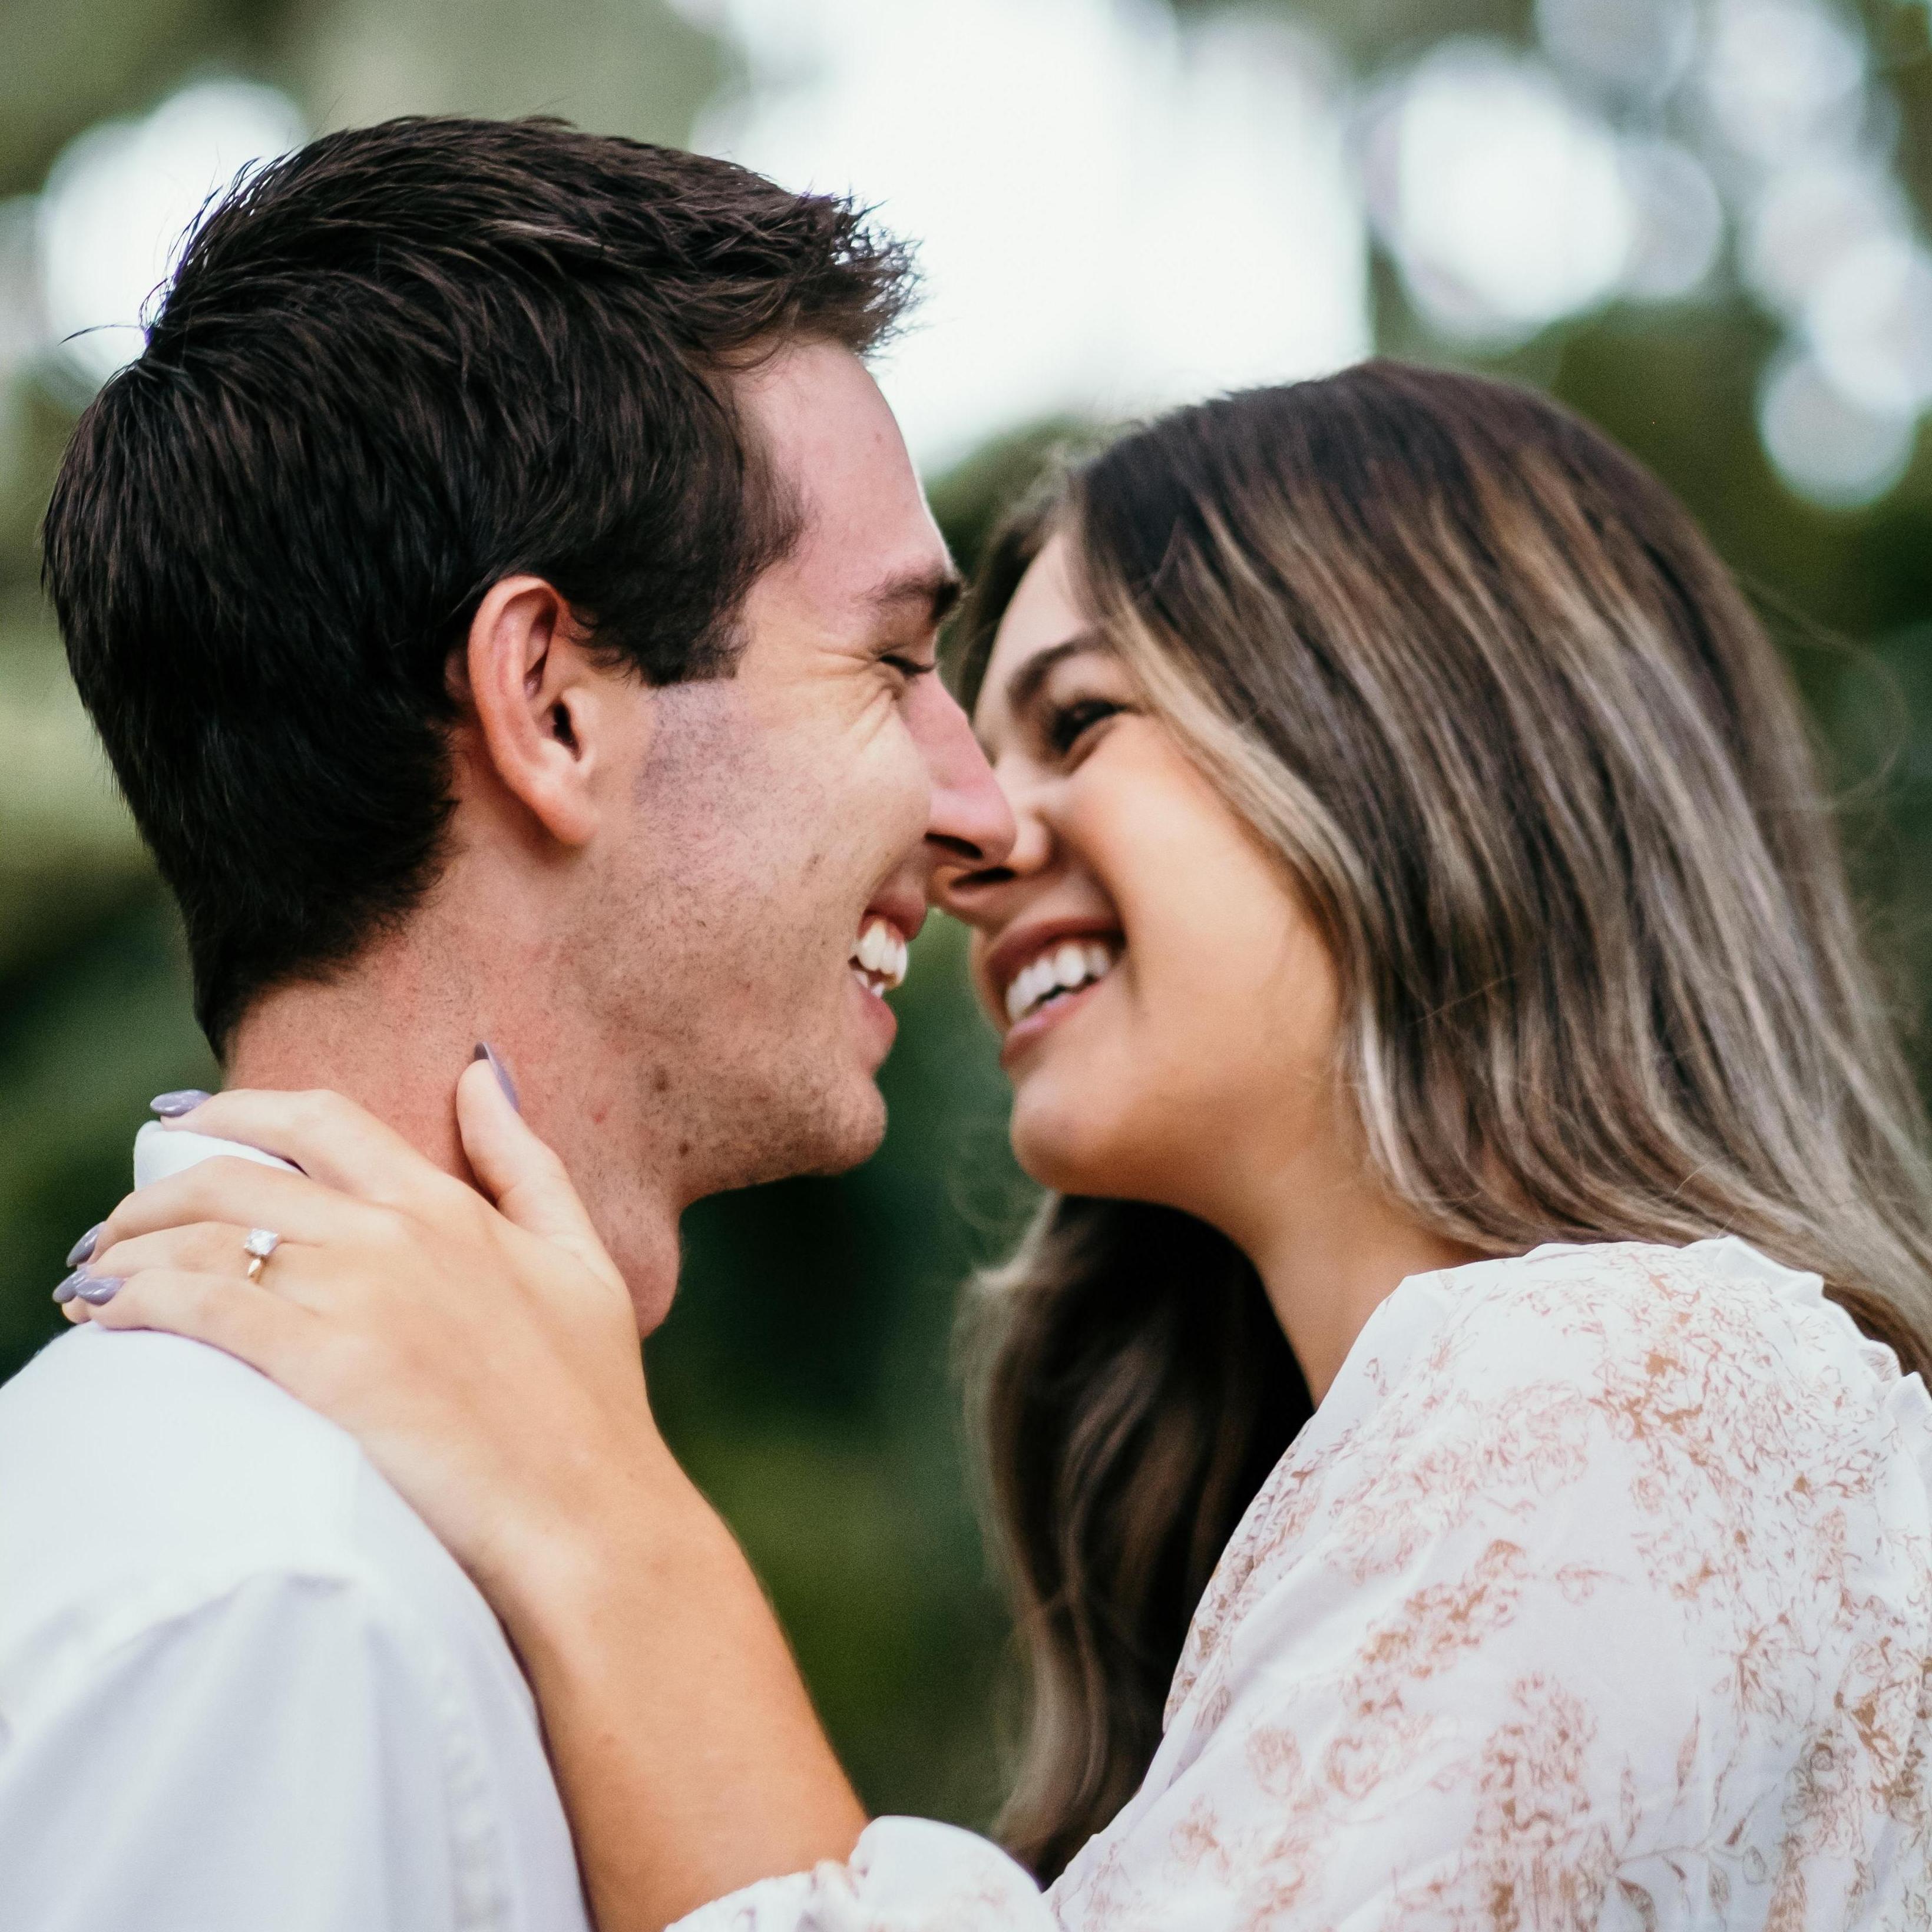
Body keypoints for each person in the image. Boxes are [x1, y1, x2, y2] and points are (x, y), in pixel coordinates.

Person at [68, 363, 1932, 1930]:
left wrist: (597, 1519)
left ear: (1437, 753)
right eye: (924, 687)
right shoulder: (1409, 1507)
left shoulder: (1637, 1386)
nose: (973, 834)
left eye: (1083, 720)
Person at [0, 114, 1013, 1931]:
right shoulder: (272, 1610)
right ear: (549, 702)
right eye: (894, 662)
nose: (983, 808)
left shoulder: (324, 1565)